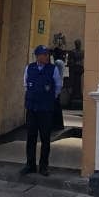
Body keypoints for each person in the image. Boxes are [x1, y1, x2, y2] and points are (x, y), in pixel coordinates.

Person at [22, 44, 62, 176]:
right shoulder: (30, 68)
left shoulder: (53, 69)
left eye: (47, 54)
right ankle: (30, 164)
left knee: (45, 138)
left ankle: (44, 166)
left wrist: (48, 99)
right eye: (44, 54)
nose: (46, 57)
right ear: (37, 56)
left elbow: (58, 86)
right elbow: (26, 84)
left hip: (46, 109)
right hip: (32, 108)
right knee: (31, 137)